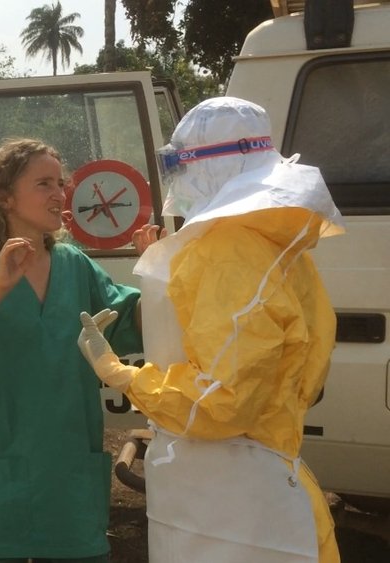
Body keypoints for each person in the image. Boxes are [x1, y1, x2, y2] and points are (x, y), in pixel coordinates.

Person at [77, 97, 344, 562]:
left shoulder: (225, 251)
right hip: (266, 487)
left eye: (175, 161)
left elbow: (219, 403)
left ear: (204, 166)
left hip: (232, 504)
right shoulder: (275, 247)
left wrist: (119, 373)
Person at [0, 138, 143, 562]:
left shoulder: (75, 265)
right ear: (5, 197)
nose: (60, 195)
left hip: (65, 470)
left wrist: (160, 267)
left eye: (60, 183)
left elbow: (128, 320)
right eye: (44, 184)